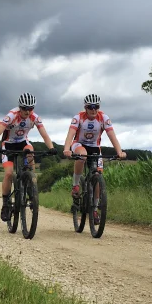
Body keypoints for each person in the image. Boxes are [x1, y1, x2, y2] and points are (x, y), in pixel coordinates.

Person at [0, 92, 57, 222]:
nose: (27, 112)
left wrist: (51, 148)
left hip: (22, 142)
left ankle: (31, 187)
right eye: (25, 109)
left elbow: (44, 135)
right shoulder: (12, 115)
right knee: (9, 174)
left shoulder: (35, 117)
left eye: (30, 109)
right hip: (8, 144)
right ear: (20, 107)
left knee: (30, 151)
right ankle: (5, 204)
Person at [62, 94, 126, 223]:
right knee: (82, 156)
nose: (93, 110)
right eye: (90, 107)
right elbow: (71, 134)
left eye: (96, 107)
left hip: (95, 147)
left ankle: (95, 210)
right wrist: (67, 149)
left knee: (97, 176)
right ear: (85, 107)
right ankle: (75, 185)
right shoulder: (78, 117)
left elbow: (112, 136)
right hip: (79, 144)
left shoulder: (103, 118)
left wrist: (119, 152)